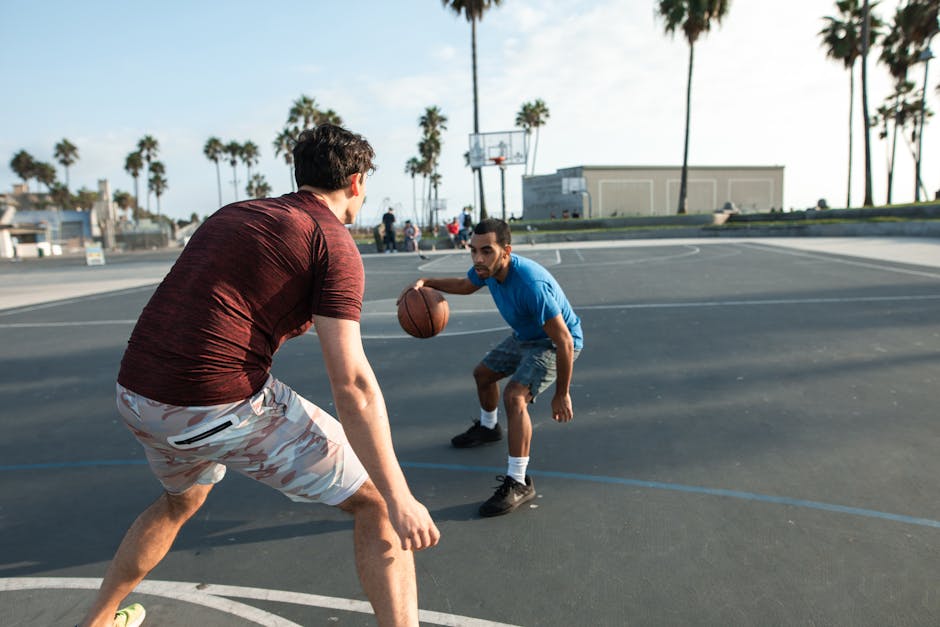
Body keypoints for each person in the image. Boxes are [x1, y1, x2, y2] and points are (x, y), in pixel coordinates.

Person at [79, 124, 440, 627]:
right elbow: (353, 386)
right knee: (376, 500)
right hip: (210, 405)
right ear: (356, 183)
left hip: (136, 394)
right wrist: (401, 496)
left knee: (181, 500)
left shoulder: (236, 213)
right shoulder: (332, 243)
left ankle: (94, 621)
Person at [399, 218, 583, 517]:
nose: (478, 259)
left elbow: (564, 340)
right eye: (473, 251)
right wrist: (426, 282)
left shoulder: (530, 285)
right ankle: (488, 428)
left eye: (486, 251)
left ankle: (519, 481)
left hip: (552, 343)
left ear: (505, 251)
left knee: (515, 396)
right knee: (483, 375)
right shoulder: (487, 271)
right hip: (525, 337)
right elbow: (464, 285)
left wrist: (562, 393)